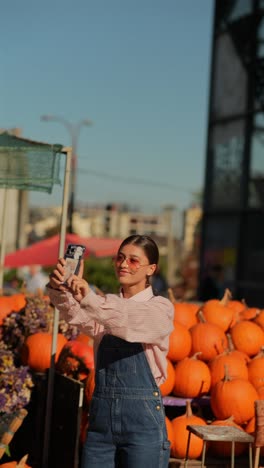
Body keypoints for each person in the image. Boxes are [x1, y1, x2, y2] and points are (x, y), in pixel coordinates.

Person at [47, 234, 174, 468]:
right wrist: (60, 289)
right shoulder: (104, 306)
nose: (124, 264)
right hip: (101, 425)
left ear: (151, 269)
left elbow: (127, 319)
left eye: (134, 260)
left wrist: (91, 299)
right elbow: (76, 314)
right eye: (120, 258)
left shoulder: (160, 308)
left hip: (142, 425)